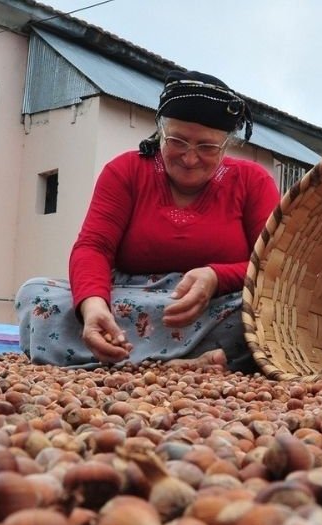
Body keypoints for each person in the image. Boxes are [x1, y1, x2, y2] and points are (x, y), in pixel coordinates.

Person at [15, 69, 281, 371]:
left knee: (262, 315)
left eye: (206, 147)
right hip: (129, 297)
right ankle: (192, 361)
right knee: (36, 295)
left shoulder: (253, 181)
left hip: (214, 304)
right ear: (160, 132)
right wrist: (93, 307)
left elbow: (272, 266)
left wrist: (216, 278)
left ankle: (126, 360)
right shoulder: (125, 171)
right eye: (178, 141)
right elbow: (93, 247)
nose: (190, 158)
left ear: (226, 145)